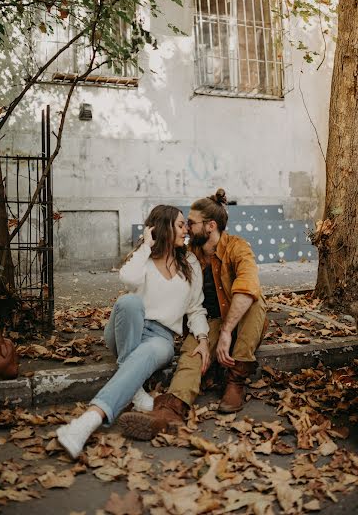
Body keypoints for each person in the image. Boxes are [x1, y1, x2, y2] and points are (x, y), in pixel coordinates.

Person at [56, 205, 210, 459]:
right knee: (129, 302)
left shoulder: (190, 263)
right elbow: (128, 280)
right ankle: (134, 384)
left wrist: (202, 339)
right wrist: (145, 247)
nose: (186, 230)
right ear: (164, 228)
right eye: (181, 225)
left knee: (145, 352)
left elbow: (195, 309)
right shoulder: (144, 257)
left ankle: (86, 422)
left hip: (160, 338)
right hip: (127, 329)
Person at [119, 189, 268, 441]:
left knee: (255, 302)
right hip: (206, 323)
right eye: (184, 223)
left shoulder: (237, 248)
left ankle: (236, 380)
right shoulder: (190, 255)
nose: (186, 228)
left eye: (191, 223)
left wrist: (225, 333)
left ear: (210, 226)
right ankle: (169, 411)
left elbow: (247, 288)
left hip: (239, 323)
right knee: (192, 355)